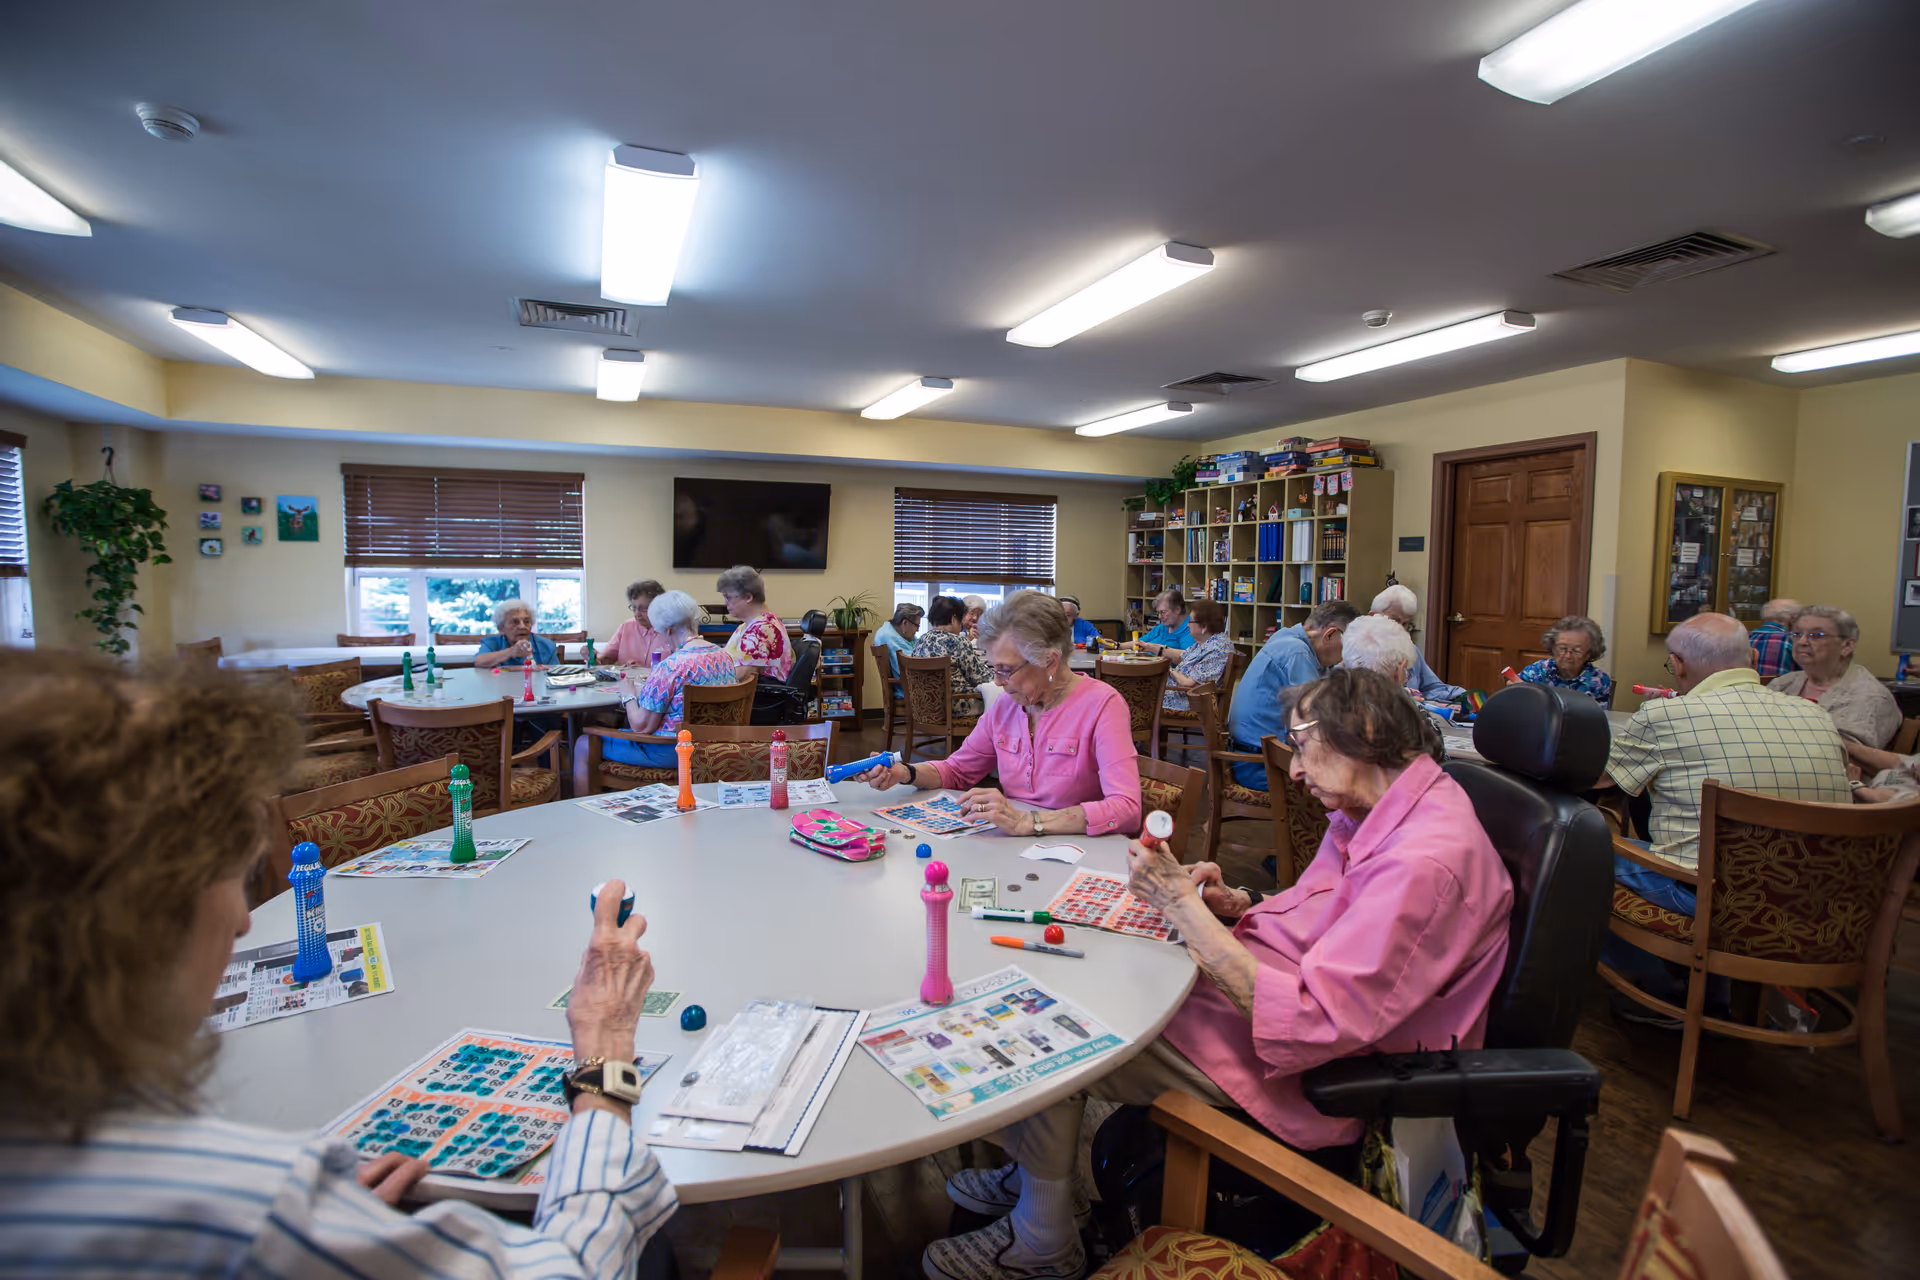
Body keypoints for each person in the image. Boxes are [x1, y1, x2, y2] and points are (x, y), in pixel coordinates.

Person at [0, 651, 676, 1278]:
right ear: (140, 914)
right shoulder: (249, 1207)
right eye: (226, 880)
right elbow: (576, 1268)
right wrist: (605, 1058)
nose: (241, 921)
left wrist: (329, 1232)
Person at [922, 668, 1512, 1280]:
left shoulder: (1426, 862)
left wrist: (1179, 905)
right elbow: (1336, 918)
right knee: (1069, 971)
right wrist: (1243, 904)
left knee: (1057, 1019)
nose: (1298, 772)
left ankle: (1045, 1242)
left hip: (1314, 1069)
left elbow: (1313, 1023)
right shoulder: (1388, 805)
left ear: (1362, 733)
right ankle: (1037, 1176)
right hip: (1264, 995)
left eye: (1303, 748)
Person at [1603, 613, 1849, 1018]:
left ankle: (1670, 990)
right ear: (1752, 657)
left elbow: (1599, 780)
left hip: (1716, 906)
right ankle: (1716, 988)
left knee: (1577, 843)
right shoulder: (1816, 714)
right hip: (1819, 904)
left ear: (1678, 665)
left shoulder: (1664, 716)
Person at [856, 591, 1141, 838]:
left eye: (1005, 669)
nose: (997, 682)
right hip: (1018, 849)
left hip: (1080, 850)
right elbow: (957, 770)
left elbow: (1126, 809)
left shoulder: (1102, 705)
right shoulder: (1007, 706)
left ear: (1050, 661)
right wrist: (905, 772)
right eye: (994, 668)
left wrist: (1031, 822)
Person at [592, 590, 743, 775]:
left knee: (585, 742)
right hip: (716, 749)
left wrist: (628, 695)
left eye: (659, 632)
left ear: (669, 630)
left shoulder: (671, 666)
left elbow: (641, 727)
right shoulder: (724, 656)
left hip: (671, 752)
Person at [1225, 599, 1358, 788]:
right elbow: (1318, 714)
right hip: (1262, 766)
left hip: (1252, 757)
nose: (1346, 655)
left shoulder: (1287, 637)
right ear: (1330, 635)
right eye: (1347, 646)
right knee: (1352, 781)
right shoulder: (1296, 653)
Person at [1767, 605, 1899, 748]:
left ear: (1847, 645)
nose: (1802, 642)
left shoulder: (1869, 696)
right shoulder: (1783, 683)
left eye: (1816, 636)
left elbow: (1847, 757)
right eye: (1797, 634)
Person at [1341, 614, 1447, 763]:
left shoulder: (1323, 714)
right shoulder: (1417, 721)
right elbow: (1439, 772)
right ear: (1400, 672)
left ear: (1344, 668)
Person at [1367, 584, 1463, 701]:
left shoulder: (1409, 648)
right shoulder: (1355, 650)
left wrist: (1464, 696)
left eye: (1405, 624)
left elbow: (1431, 688)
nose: (1400, 629)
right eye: (1394, 621)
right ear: (1372, 616)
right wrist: (1405, 701)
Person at [914, 594, 996, 716]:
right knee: (1000, 695)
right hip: (955, 706)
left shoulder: (920, 640)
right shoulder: (957, 642)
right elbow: (981, 677)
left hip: (925, 708)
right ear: (953, 619)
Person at [1509, 616, 1614, 709]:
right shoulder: (1537, 671)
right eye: (1562, 648)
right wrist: (1513, 691)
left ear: (1588, 654)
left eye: (1577, 651)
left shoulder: (1599, 680)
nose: (1568, 656)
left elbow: (1599, 720)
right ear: (1553, 648)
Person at [717, 564, 794, 682]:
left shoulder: (761, 629)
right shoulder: (749, 625)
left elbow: (739, 676)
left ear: (748, 597)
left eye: (728, 597)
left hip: (755, 696)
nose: (725, 603)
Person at [1162, 599, 1232, 712]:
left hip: (1185, 702)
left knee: (1137, 695)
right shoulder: (1205, 644)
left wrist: (1169, 669)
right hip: (1177, 694)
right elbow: (1182, 656)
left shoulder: (1217, 649)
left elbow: (1189, 683)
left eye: (1191, 621)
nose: (1188, 625)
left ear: (1204, 626)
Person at [473, 598, 560, 668]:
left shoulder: (546, 646)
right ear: (501, 629)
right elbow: (479, 661)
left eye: (526, 621)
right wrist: (511, 652)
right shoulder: (492, 643)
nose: (522, 626)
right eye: (515, 622)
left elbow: (556, 674)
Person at [603, 578, 668, 667]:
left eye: (643, 609)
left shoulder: (670, 631)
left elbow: (680, 672)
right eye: (634, 608)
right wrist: (593, 656)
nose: (637, 614)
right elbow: (605, 660)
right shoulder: (626, 627)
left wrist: (644, 672)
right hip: (627, 681)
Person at [1128, 589, 1192, 658]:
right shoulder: (1163, 627)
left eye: (1163, 612)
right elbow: (1138, 642)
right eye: (1158, 613)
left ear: (1177, 610)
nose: (1159, 616)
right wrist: (1117, 645)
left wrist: (1156, 649)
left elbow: (1188, 657)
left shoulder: (1192, 628)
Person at [1748, 597, 1801, 680]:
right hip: (1782, 691)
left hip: (1745, 690)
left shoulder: (1744, 638)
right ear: (1792, 619)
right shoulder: (1794, 641)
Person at [873, 601, 925, 676]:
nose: (917, 630)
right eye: (917, 625)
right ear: (905, 623)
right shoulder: (892, 638)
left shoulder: (890, 629)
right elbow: (913, 670)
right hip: (907, 685)